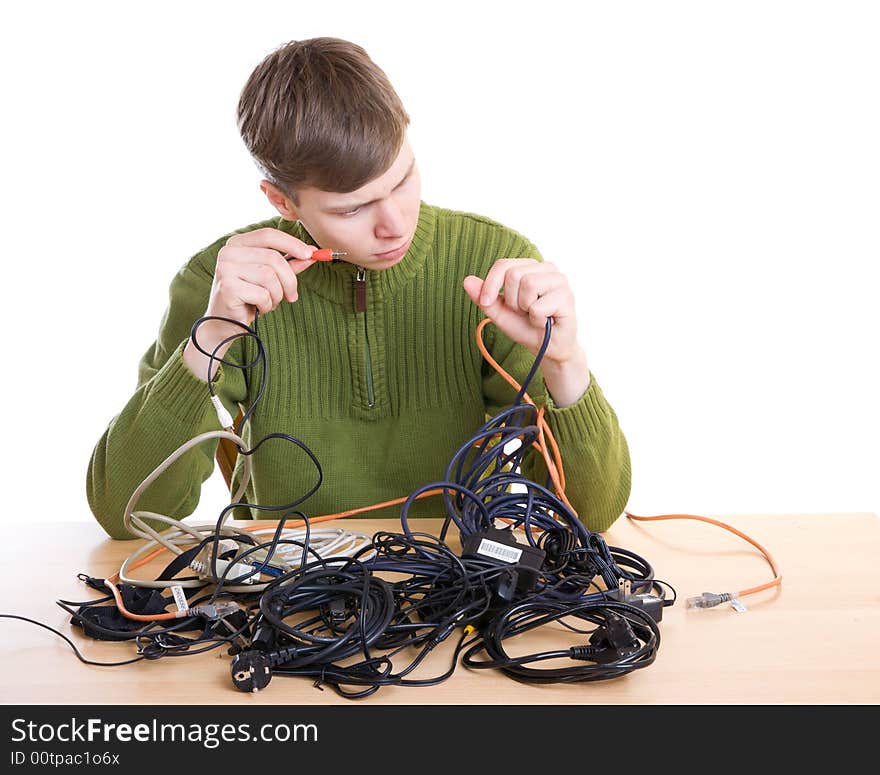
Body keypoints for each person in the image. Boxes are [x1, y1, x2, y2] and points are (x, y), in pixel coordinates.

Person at [87, 37, 631, 540]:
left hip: (455, 589)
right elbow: (126, 515)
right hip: (290, 592)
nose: (394, 223)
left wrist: (564, 364)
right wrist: (213, 338)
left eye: (403, 179)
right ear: (283, 202)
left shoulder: (491, 261)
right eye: (352, 208)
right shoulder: (222, 282)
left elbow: (592, 512)